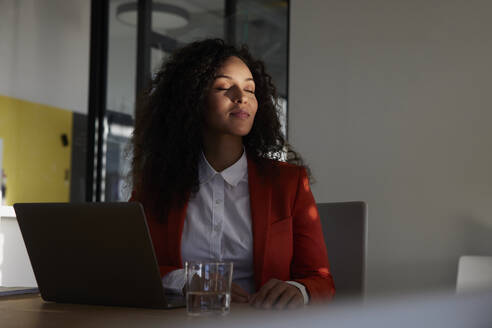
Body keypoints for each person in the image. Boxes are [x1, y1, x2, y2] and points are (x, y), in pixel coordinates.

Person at [130, 38, 334, 309]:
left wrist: (298, 290)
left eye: (250, 89)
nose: (242, 97)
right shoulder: (157, 185)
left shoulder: (289, 183)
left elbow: (320, 280)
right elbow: (132, 268)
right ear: (193, 99)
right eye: (224, 87)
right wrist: (185, 280)